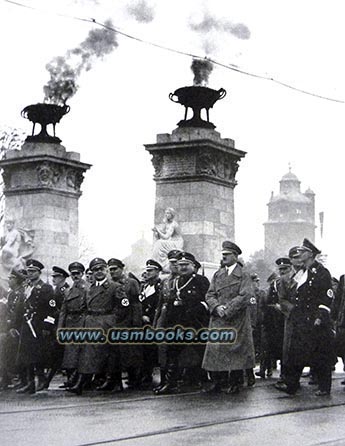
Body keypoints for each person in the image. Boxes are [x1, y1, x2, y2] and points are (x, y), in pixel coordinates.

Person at [281, 239, 335, 396]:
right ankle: (291, 385)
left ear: (310, 254)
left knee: (320, 355)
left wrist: (320, 316)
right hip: (302, 319)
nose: (299, 254)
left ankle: (325, 387)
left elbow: (327, 297)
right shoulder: (303, 272)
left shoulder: (321, 273)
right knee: (295, 353)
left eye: (302, 252)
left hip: (315, 321)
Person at [68, 258, 130, 395]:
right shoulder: (90, 288)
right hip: (91, 322)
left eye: (101, 269)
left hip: (106, 323)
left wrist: (111, 320)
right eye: (95, 270)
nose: (99, 272)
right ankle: (85, 382)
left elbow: (124, 306)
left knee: (110, 354)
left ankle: (110, 382)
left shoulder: (114, 287)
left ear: (106, 270)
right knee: (88, 354)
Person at [202, 241, 255, 394]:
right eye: (223, 254)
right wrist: (217, 307)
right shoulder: (218, 274)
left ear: (235, 256)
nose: (223, 257)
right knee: (217, 350)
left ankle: (236, 382)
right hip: (219, 317)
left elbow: (245, 295)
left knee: (235, 350)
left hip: (236, 318)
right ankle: (218, 381)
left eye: (227, 254)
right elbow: (209, 294)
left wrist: (228, 308)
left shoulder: (244, 275)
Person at [154, 251, 209, 395]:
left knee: (202, 352)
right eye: (180, 265)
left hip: (196, 323)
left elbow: (205, 302)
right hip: (178, 323)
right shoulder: (176, 281)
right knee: (173, 352)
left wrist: (195, 311)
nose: (183, 268)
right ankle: (170, 383)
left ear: (193, 266)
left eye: (186, 265)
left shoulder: (200, 281)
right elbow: (171, 303)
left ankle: (210, 381)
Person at [16, 259, 56, 394]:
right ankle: (30, 383)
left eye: (33, 271)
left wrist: (47, 325)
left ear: (39, 272)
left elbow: (52, 309)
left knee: (37, 355)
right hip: (27, 325)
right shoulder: (26, 287)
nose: (30, 274)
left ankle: (42, 380)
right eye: (29, 271)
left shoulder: (46, 288)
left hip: (38, 325)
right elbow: (21, 307)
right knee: (26, 354)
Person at [106, 258, 142, 391]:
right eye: (110, 269)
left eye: (115, 269)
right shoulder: (109, 284)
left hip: (128, 322)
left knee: (131, 352)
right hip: (114, 322)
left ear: (122, 269)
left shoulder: (131, 283)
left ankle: (135, 380)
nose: (112, 272)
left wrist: (136, 324)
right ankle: (115, 381)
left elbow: (136, 304)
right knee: (114, 353)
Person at [57, 262, 87, 390]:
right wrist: (60, 327)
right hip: (70, 323)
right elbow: (63, 310)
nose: (75, 276)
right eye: (73, 274)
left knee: (80, 353)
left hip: (81, 321)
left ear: (82, 274)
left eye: (78, 273)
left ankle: (79, 381)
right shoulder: (68, 291)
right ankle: (71, 379)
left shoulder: (87, 289)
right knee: (69, 353)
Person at [139, 259, 162, 387]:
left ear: (157, 272)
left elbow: (159, 304)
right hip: (143, 322)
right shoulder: (145, 286)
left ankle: (150, 375)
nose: (147, 273)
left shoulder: (159, 286)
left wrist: (150, 316)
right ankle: (145, 374)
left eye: (150, 271)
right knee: (144, 349)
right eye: (146, 270)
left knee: (151, 350)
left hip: (152, 321)